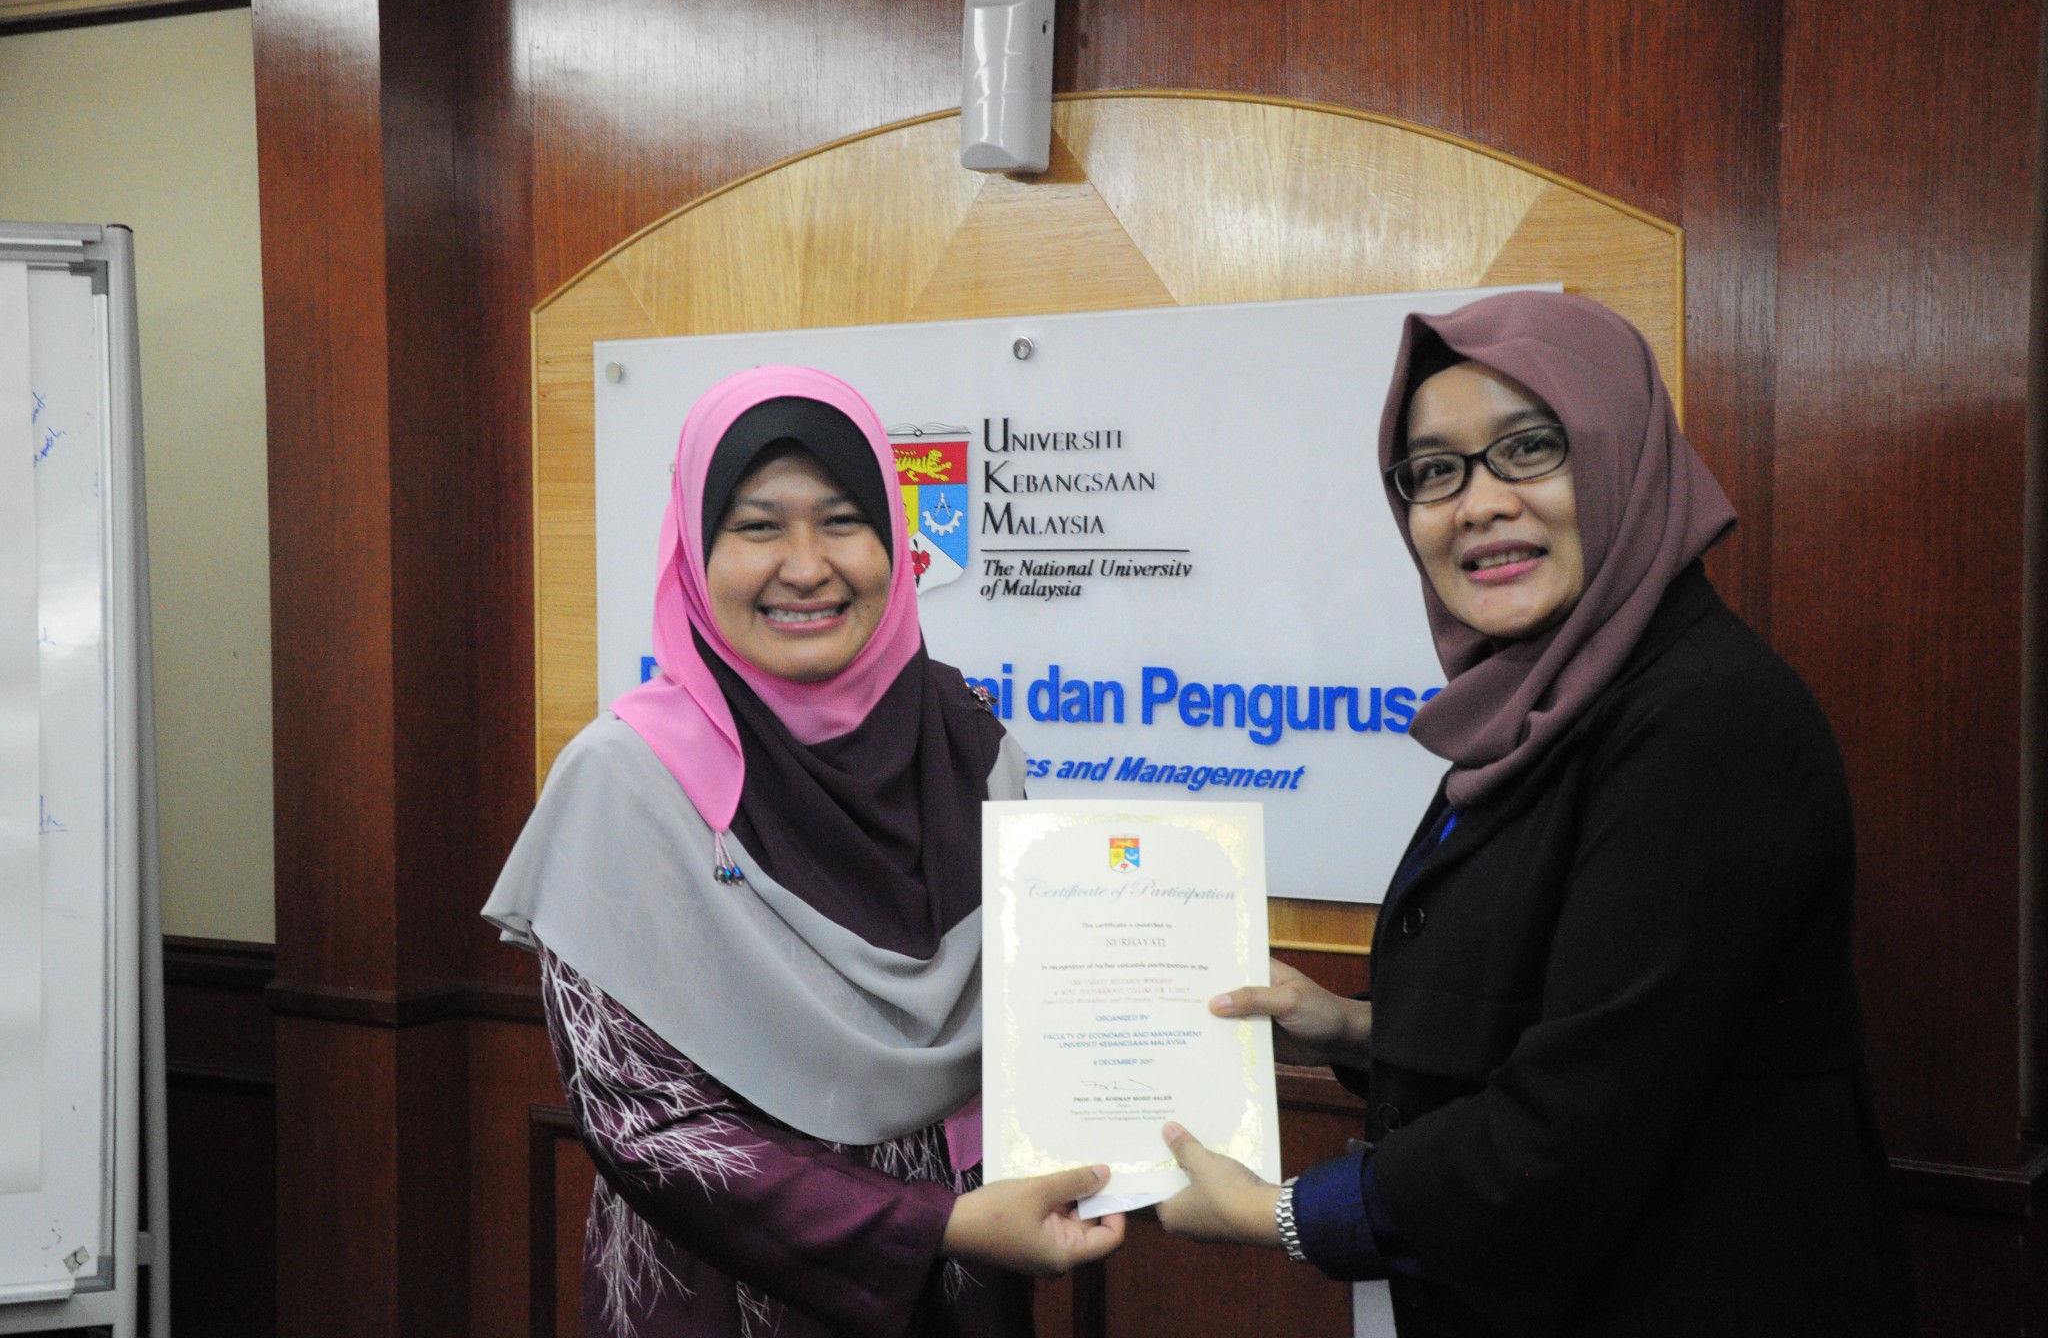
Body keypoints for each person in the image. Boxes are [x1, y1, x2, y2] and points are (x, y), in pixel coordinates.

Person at [1152, 292, 1918, 1337]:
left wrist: (1281, 1214)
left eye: (1527, 448)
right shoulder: (1545, 699)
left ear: (1620, 456)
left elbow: (1579, 1121)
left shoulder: (1705, 720)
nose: (1476, 504)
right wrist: (1357, 1028)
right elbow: (1569, 1000)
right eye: (1434, 470)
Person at [482, 366, 1122, 1338]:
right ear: (694, 551)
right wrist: (933, 1225)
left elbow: (1038, 1017)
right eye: (757, 526)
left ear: (894, 540)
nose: (807, 565)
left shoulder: (970, 746)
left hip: (967, 1292)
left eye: (842, 520)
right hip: (724, 1296)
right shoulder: (626, 781)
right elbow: (643, 1123)